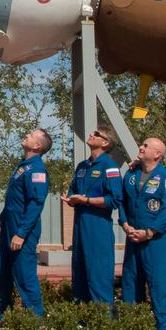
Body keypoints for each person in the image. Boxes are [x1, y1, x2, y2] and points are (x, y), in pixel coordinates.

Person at [119, 136, 166, 330]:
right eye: (142, 144)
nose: (141, 147)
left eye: (146, 145)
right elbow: (122, 201)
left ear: (157, 154)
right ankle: (130, 327)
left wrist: (150, 232)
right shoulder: (131, 174)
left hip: (155, 241)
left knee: (158, 283)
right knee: (130, 282)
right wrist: (124, 223)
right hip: (133, 238)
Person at [0, 128, 52, 320]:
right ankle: (1, 314)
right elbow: (15, 199)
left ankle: (36, 320)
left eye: (31, 135)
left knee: (24, 274)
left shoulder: (37, 169)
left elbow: (35, 204)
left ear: (37, 146)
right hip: (9, 226)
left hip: (22, 229)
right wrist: (2, 218)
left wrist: (21, 233)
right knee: (1, 271)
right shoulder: (23, 166)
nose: (26, 135)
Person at [61, 124, 122, 306]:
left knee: (98, 275)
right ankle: (82, 316)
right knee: (79, 273)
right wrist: (71, 199)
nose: (91, 134)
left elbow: (115, 200)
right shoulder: (82, 166)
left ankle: (103, 318)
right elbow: (73, 190)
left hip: (98, 226)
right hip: (80, 224)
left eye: (96, 134)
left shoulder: (109, 167)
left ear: (105, 142)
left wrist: (86, 200)